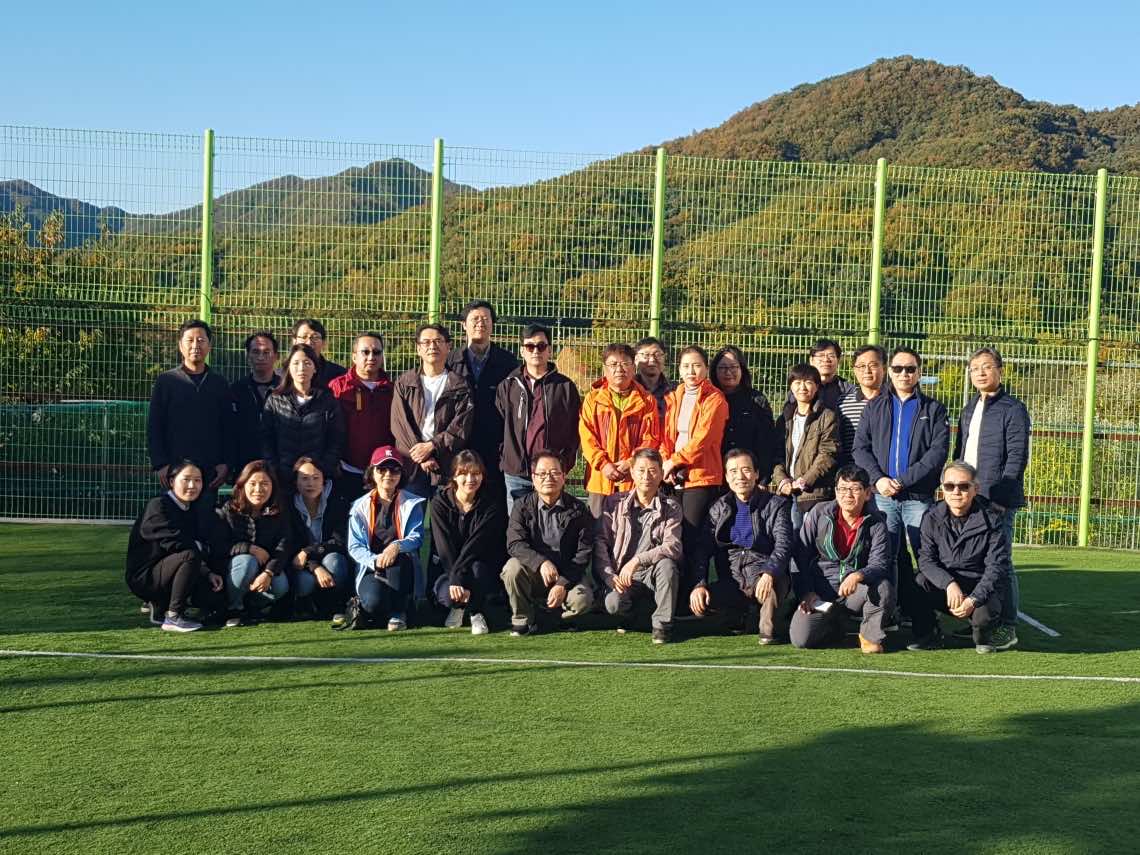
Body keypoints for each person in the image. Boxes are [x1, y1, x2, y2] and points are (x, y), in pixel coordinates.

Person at [853, 346, 949, 618]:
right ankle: (888, 613)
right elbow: (860, 448)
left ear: (919, 372)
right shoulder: (874, 407)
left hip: (918, 498)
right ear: (889, 372)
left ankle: (928, 617)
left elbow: (937, 454)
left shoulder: (934, 409)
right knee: (886, 558)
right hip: (884, 496)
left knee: (926, 556)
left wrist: (902, 481)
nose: (904, 374)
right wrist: (879, 479)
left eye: (910, 369)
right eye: (898, 368)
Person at [954, 347, 1030, 649]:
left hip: (997, 501)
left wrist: (1001, 499)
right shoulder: (969, 408)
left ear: (1000, 370)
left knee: (1001, 562)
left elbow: (1016, 458)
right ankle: (980, 622)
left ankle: (1007, 626)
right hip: (970, 498)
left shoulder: (1013, 409)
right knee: (974, 562)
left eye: (986, 366)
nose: (980, 373)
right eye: (974, 368)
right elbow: (960, 454)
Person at [691, 448, 793, 644]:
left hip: (762, 572)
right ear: (726, 477)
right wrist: (699, 585)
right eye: (733, 471)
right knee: (701, 604)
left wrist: (769, 572)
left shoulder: (776, 505)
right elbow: (702, 549)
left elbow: (784, 544)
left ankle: (767, 629)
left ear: (756, 474)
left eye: (746, 470)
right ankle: (738, 612)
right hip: (732, 576)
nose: (740, 476)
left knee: (772, 589)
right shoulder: (719, 507)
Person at [908, 462, 1011, 654]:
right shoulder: (931, 517)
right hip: (947, 586)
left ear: (975, 489)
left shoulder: (993, 520)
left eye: (964, 486)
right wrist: (949, 584)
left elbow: (996, 567)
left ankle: (984, 632)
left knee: (982, 633)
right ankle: (928, 634)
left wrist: (974, 599)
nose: (956, 492)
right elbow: (926, 560)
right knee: (918, 582)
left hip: (979, 586)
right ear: (943, 489)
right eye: (949, 486)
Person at [790, 464, 895, 653]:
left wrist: (858, 575)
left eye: (855, 489)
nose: (848, 495)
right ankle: (835, 625)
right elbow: (800, 557)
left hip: (854, 593)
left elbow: (880, 563)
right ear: (836, 491)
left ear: (867, 493)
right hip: (820, 593)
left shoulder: (876, 522)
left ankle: (869, 635)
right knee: (801, 639)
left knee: (883, 587)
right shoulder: (819, 513)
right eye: (843, 489)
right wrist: (806, 592)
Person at [124, 458, 225, 632]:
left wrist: (208, 573)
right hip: (145, 577)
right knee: (190, 554)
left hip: (171, 568)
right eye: (186, 480)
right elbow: (174, 543)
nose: (192, 486)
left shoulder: (191, 509)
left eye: (197, 480)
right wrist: (200, 549)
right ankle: (173, 616)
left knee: (214, 596)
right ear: (172, 482)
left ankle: (160, 605)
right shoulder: (158, 505)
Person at [501, 450, 594, 636]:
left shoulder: (578, 509)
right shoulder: (522, 506)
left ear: (563, 476)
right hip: (534, 572)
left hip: (567, 572)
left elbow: (583, 553)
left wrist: (562, 583)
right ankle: (522, 619)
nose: (548, 478)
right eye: (542, 474)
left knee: (582, 600)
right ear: (533, 478)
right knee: (511, 569)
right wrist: (541, 562)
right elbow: (515, 543)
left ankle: (556, 617)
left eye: (554, 473)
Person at [594, 448, 682, 644]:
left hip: (652, 572)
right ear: (632, 473)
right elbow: (601, 542)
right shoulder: (614, 503)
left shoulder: (671, 506)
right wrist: (608, 575)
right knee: (614, 604)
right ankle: (632, 616)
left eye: (652, 471)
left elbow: (673, 546)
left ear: (661, 473)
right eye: (641, 470)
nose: (646, 476)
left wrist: (637, 560)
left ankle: (662, 626)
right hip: (622, 576)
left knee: (667, 566)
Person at [660, 345, 729, 594]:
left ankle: (693, 593)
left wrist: (674, 461)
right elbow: (665, 436)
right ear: (679, 369)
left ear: (706, 368)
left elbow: (704, 439)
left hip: (701, 477)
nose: (691, 371)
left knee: (692, 537)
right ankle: (672, 593)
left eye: (697, 365)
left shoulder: (715, 399)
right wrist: (666, 462)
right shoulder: (674, 396)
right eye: (686, 366)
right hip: (672, 476)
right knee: (673, 535)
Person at [496, 323, 582, 513]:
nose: (536, 351)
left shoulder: (565, 387)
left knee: (552, 523)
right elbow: (498, 426)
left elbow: (575, 430)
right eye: (530, 346)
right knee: (518, 524)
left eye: (541, 346)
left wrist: (564, 463)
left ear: (549, 350)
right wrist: (507, 457)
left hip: (551, 473)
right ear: (522, 351)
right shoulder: (508, 386)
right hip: (517, 473)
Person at [147, 319, 232, 502]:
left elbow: (228, 427)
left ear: (209, 346)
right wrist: (160, 464)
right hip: (174, 470)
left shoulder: (220, 384)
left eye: (201, 340)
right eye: (190, 340)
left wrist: (225, 463)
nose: (195, 345)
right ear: (180, 345)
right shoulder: (166, 381)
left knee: (205, 517)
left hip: (209, 471)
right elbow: (155, 426)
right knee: (173, 515)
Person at [445, 300, 519, 505]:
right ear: (463, 324)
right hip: (457, 443)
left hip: (495, 445)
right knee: (457, 499)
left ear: (493, 324)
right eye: (475, 319)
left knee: (493, 502)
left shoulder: (507, 362)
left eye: (486, 319)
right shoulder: (450, 361)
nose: (481, 323)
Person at [347, 446, 426, 631]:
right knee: (372, 603)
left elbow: (416, 537)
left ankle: (399, 612)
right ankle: (381, 608)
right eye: (382, 469)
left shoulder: (412, 503)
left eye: (394, 469)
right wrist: (375, 561)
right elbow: (355, 547)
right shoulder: (358, 507)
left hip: (401, 564)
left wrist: (396, 546)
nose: (388, 474)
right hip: (371, 567)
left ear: (401, 474)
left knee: (399, 560)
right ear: (372, 472)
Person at [390, 323, 474, 496]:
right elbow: (399, 424)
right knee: (411, 512)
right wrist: (421, 455)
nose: (432, 346)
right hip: (412, 465)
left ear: (448, 346)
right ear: (418, 349)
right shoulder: (405, 382)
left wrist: (433, 446)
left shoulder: (460, 385)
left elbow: (461, 427)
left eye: (438, 341)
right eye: (426, 342)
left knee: (444, 512)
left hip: (446, 464)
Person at [579, 343, 661, 516]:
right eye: (613, 364)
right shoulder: (592, 399)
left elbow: (650, 438)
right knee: (597, 526)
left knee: (631, 525)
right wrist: (603, 464)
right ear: (605, 369)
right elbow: (587, 437)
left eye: (625, 364)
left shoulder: (647, 401)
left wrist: (631, 462)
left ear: (633, 367)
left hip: (633, 478)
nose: (619, 369)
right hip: (600, 478)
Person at [431, 450, 506, 636]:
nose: (470, 479)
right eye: (463, 473)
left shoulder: (491, 504)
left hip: (478, 564)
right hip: (448, 568)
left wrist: (460, 578)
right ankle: (458, 607)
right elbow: (444, 547)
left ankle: (475, 612)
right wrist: (455, 579)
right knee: (447, 596)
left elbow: (476, 545)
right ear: (454, 476)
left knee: (478, 571)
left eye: (476, 473)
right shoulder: (439, 503)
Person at [217, 460, 292, 627]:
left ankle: (252, 606)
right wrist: (248, 548)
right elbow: (219, 546)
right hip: (232, 568)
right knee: (247, 562)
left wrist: (269, 572)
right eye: (252, 483)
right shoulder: (228, 509)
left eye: (265, 484)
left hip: (265, 567)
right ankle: (234, 608)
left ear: (273, 487)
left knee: (281, 586)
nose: (258, 489)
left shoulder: (279, 511)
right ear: (243, 484)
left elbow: (284, 546)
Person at [261, 343, 346, 486]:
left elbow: (336, 439)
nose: (301, 368)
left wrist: (321, 468)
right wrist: (276, 469)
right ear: (288, 368)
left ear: (315, 368)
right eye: (296, 363)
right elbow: (266, 439)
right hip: (282, 478)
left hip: (317, 479)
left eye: (307, 363)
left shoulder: (328, 401)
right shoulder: (275, 400)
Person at [772, 364, 839, 531]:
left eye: (808, 382)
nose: (802, 387)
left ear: (817, 386)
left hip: (813, 494)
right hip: (787, 493)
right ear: (791, 386)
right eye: (797, 382)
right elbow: (776, 454)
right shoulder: (784, 419)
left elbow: (828, 454)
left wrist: (804, 481)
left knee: (809, 540)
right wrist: (782, 481)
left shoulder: (827, 417)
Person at [329, 332, 394, 500]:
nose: (371, 357)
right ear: (354, 356)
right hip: (345, 469)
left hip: (381, 471)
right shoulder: (337, 387)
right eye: (365, 352)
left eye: (377, 352)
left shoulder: (393, 389)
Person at [288, 457, 353, 626]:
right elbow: (290, 545)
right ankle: (305, 604)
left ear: (324, 481)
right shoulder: (288, 506)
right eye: (304, 478)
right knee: (304, 583)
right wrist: (314, 566)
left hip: (328, 556)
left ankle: (334, 605)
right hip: (302, 564)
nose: (311, 483)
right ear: (296, 482)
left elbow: (340, 541)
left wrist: (308, 551)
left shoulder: (337, 501)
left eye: (316, 478)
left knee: (335, 562)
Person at [711, 345, 778, 485]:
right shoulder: (708, 399)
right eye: (722, 368)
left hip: (747, 477)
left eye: (733, 367)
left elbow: (767, 442)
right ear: (714, 371)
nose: (728, 372)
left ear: (742, 369)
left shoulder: (757, 400)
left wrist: (763, 479)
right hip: (714, 475)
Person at [230, 331, 281, 477]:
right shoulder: (235, 390)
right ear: (248, 356)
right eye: (255, 352)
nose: (261, 357)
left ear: (276, 356)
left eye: (266, 352)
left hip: (278, 467)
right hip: (243, 467)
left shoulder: (285, 389)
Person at [836, 344, 886, 465]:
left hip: (885, 473)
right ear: (854, 370)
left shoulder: (894, 402)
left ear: (884, 368)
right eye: (861, 366)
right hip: (852, 471)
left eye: (873, 365)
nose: (867, 371)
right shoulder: (843, 403)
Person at [786, 339, 853, 412]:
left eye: (831, 356)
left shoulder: (848, 390)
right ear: (811, 360)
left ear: (838, 360)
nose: (826, 359)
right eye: (821, 355)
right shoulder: (801, 389)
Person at [292, 318, 346, 389]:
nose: (309, 343)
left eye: (315, 337)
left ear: (324, 343)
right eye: (304, 337)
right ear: (294, 341)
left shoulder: (339, 375)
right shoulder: (281, 376)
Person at [634, 336, 675, 422]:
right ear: (636, 359)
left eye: (657, 355)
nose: (652, 360)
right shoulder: (627, 389)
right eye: (646, 355)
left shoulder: (674, 391)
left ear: (664, 358)